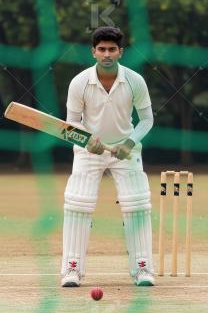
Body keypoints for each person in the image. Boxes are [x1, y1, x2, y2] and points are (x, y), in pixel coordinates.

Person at [59, 26, 155, 287]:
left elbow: (147, 120)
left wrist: (130, 141)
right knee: (78, 204)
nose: (107, 54)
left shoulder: (135, 80)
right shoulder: (79, 82)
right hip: (89, 150)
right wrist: (88, 141)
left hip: (126, 149)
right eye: (101, 49)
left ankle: (142, 268)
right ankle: (72, 268)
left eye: (112, 49)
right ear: (93, 52)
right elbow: (71, 124)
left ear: (121, 52)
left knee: (137, 205)